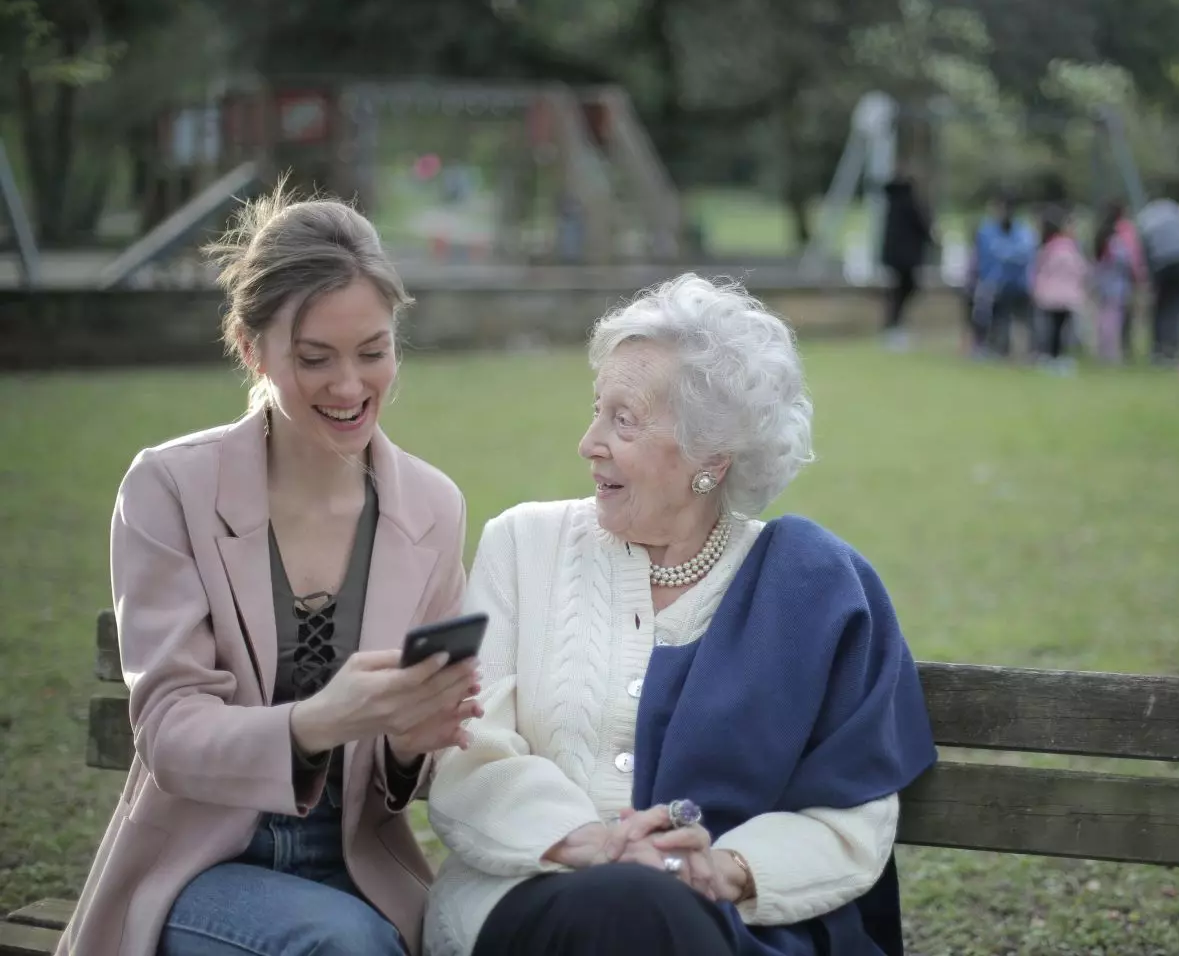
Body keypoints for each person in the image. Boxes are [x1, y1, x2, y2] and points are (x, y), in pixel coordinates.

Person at [424, 274, 938, 956]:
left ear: (710, 460)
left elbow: (849, 814)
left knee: (652, 915)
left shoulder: (814, 587)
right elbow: (471, 754)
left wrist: (717, 869)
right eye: (595, 409)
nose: (589, 442)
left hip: (733, 922)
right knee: (628, 907)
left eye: (623, 419)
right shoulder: (522, 546)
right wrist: (596, 845)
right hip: (528, 898)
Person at [58, 183, 481, 956]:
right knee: (348, 948)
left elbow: (412, 773)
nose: (350, 387)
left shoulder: (432, 506)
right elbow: (169, 731)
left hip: (362, 869)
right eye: (314, 358)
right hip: (200, 866)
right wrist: (322, 719)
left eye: (374, 352)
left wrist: (414, 741)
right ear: (251, 349)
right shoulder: (169, 488)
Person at [973, 194, 1038, 359]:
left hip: (1018, 284)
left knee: (1024, 321)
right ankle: (996, 350)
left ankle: (1029, 353)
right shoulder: (987, 230)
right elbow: (985, 256)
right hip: (993, 283)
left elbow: (1025, 254)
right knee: (994, 318)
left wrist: (1004, 253)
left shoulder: (1022, 231)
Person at [1136, 193, 1179, 364]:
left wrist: (1148, 278)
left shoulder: (1146, 218)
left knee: (1161, 309)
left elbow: (1145, 250)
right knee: (1176, 309)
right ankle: (1173, 349)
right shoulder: (1174, 212)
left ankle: (1160, 350)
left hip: (1162, 265)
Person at [879, 174, 935, 350]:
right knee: (904, 290)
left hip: (894, 259)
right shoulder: (911, 204)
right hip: (907, 259)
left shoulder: (892, 204)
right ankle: (895, 327)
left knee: (898, 292)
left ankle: (894, 326)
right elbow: (924, 228)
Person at [1030, 207, 1088, 372]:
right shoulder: (1069, 247)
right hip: (1065, 297)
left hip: (1050, 296)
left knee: (1051, 329)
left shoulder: (1047, 247)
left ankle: (1050, 356)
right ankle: (1057, 357)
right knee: (1060, 330)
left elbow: (1039, 270)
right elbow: (1081, 269)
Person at [1093, 203, 1138, 365]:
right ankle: (1111, 354)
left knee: (1103, 318)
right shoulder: (1115, 238)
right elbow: (1124, 259)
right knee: (1113, 319)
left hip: (1103, 282)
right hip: (1116, 284)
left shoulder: (1100, 235)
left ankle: (1103, 351)